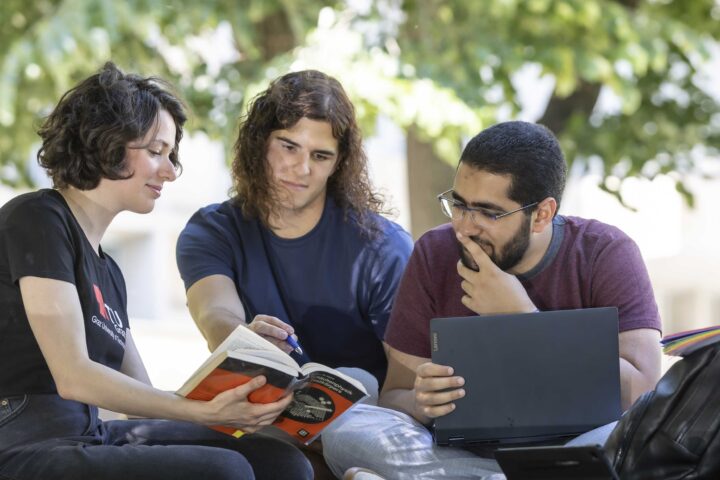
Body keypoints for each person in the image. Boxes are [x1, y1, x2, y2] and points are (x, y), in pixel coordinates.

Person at [0, 62, 312, 480]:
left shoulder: (109, 270)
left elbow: (140, 399)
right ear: (104, 143)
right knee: (224, 470)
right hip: (24, 441)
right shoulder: (38, 218)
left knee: (280, 461)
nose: (169, 171)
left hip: (88, 434)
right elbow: (73, 376)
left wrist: (240, 374)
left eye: (170, 156)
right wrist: (199, 410)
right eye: (154, 152)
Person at [321, 121, 663, 480]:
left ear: (542, 214)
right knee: (345, 429)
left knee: (619, 444)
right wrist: (420, 403)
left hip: (569, 454)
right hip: (458, 455)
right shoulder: (434, 254)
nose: (465, 227)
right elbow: (395, 396)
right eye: (459, 204)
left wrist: (523, 318)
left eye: (488, 212)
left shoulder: (605, 252)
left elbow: (642, 397)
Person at [175, 70, 412, 390]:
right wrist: (248, 342)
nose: (302, 169)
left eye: (320, 155)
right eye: (289, 147)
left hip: (364, 423)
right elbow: (215, 315)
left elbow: (405, 388)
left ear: (338, 163)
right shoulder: (213, 231)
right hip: (258, 419)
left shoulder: (385, 249)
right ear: (260, 143)